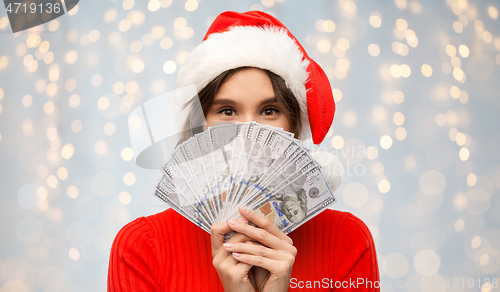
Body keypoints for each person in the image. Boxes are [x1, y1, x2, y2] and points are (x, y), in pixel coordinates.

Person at [108, 11, 379, 291]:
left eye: (269, 111)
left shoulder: (346, 240)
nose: (250, 133)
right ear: (199, 127)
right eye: (227, 111)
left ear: (295, 126)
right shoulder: (141, 246)